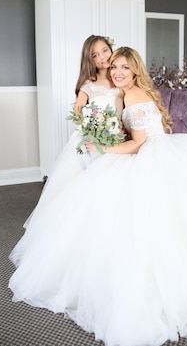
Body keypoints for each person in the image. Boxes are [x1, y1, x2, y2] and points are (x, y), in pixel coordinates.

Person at [9, 47, 187, 346]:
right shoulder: (125, 93)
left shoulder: (134, 96)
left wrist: (103, 148)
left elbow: (139, 144)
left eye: (124, 67)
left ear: (135, 70)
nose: (118, 72)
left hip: (152, 155)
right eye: (114, 67)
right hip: (152, 151)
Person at [22, 35, 122, 228]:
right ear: (89, 60)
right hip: (93, 138)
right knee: (86, 188)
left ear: (111, 49)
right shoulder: (88, 85)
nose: (102, 57)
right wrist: (95, 125)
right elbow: (78, 116)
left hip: (116, 139)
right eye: (95, 55)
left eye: (104, 50)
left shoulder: (120, 79)